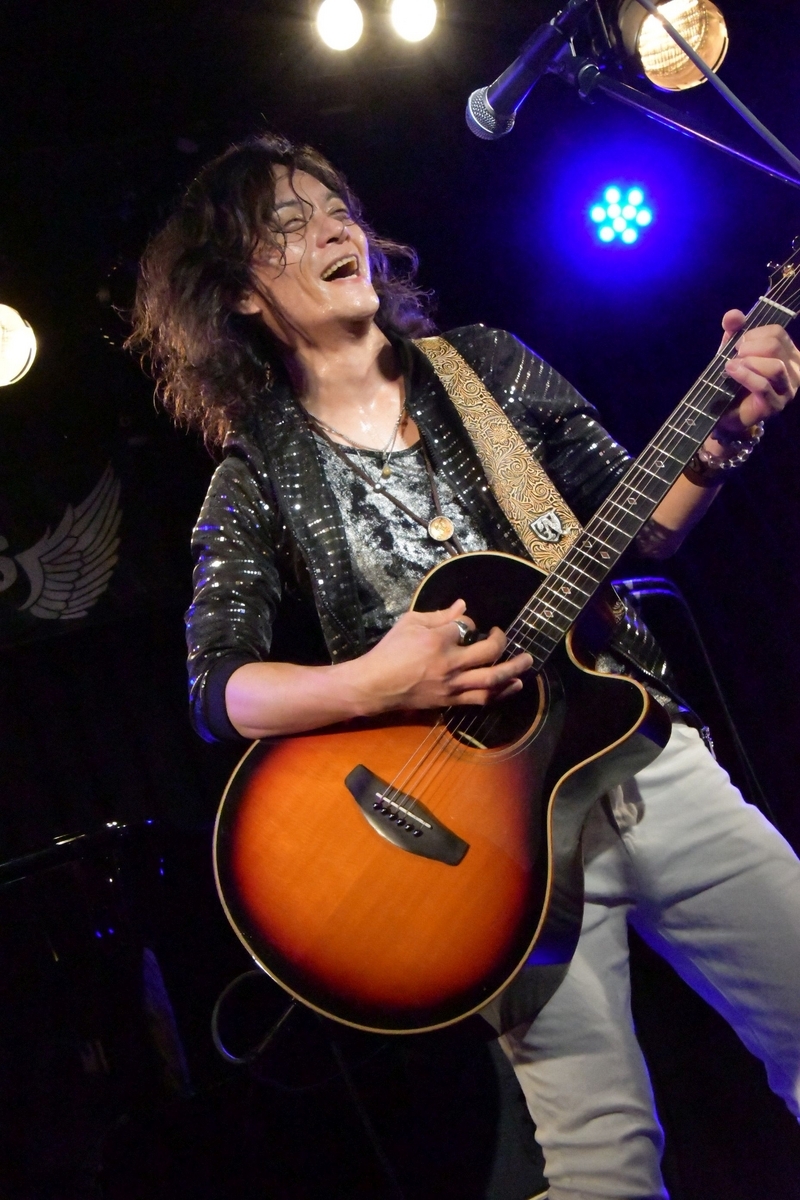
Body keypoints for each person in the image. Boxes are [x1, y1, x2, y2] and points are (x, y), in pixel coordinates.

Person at [129, 133, 800, 1200]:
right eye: (289, 225)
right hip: (485, 846)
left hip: (641, 758)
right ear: (244, 294)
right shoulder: (255, 471)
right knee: (602, 1156)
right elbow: (221, 690)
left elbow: (643, 522)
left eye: (336, 208)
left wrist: (721, 440)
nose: (333, 229)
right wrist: (377, 683)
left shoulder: (485, 363)